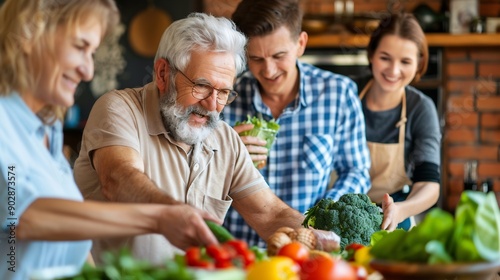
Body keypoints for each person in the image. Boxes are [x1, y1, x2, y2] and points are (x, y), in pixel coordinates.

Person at [73, 12, 338, 265]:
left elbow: (270, 213)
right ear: (164, 74)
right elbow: (119, 177)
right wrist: (173, 212)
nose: (212, 105)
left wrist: (338, 236)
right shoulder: (119, 108)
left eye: (224, 92)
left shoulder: (224, 138)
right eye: (201, 86)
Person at [0, 1, 224, 280]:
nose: (88, 71)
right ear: (29, 34)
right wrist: (158, 218)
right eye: (80, 47)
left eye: (92, 53)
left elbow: (71, 240)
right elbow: (23, 217)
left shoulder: (47, 131)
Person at [222, 0, 371, 247]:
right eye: (256, 58)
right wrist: (225, 156)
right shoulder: (224, 97)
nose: (268, 71)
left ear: (300, 43)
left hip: (307, 247)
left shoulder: (338, 94)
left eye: (279, 56)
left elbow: (356, 171)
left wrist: (325, 215)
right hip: (238, 250)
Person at [354, 13, 441, 231]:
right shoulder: (347, 94)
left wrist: (401, 209)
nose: (393, 70)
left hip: (395, 217)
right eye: (385, 57)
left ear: (419, 63)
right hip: (340, 215)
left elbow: (428, 183)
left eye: (405, 62)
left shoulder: (420, 108)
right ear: (371, 55)